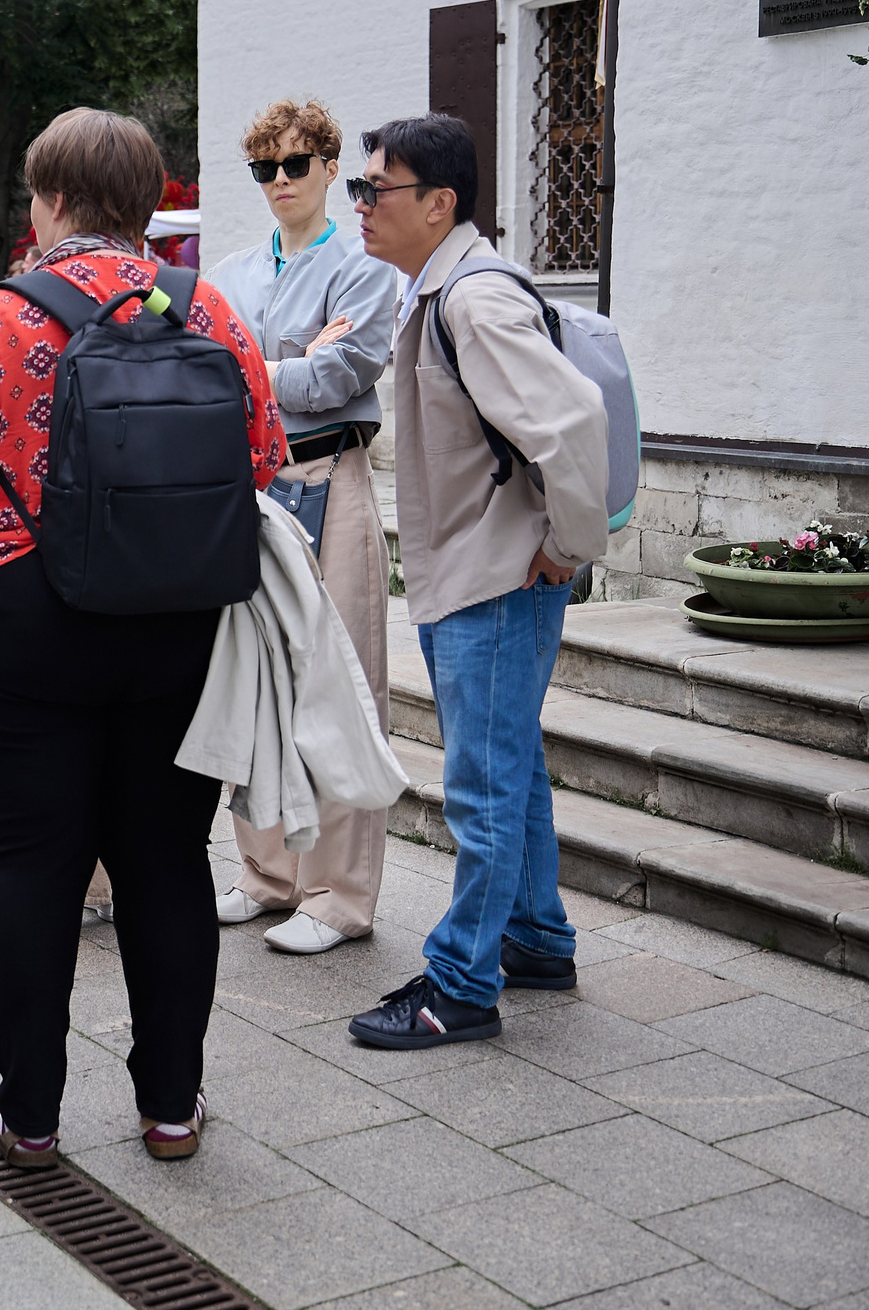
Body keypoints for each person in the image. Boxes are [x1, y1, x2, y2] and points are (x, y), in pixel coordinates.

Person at [0, 108, 284, 1168]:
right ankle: (169, 1108)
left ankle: (27, 1113)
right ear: (147, 202)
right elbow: (260, 461)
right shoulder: (209, 311)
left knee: (28, 866)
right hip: (174, 627)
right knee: (166, 863)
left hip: (19, 624)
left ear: (55, 199)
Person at [344, 114, 608, 1050]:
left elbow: (571, 426)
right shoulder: (443, 287)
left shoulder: (472, 300)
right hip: (479, 567)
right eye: (360, 189)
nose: (362, 205)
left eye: (378, 190)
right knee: (512, 768)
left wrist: (567, 549)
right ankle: (536, 940)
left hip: (496, 575)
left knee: (484, 786)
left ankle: (460, 986)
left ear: (440, 203)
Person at [206, 99, 403, 956]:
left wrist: (251, 361)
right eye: (265, 168)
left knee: (341, 680)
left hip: (331, 476)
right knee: (250, 680)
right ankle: (267, 873)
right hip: (249, 486)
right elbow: (219, 366)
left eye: (296, 164)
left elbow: (344, 371)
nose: (280, 181)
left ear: (331, 168)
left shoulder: (364, 268)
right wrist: (284, 361)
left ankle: (339, 892)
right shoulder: (233, 269)